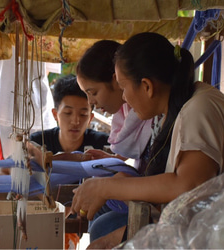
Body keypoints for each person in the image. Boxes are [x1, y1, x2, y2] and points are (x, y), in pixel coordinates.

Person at [71, 32, 224, 249]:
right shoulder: (173, 114)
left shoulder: (199, 107)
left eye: (123, 88)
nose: (124, 97)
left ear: (147, 86)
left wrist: (105, 188)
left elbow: (188, 187)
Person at [76, 40, 155, 242]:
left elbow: (180, 185)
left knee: (101, 228)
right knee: (99, 209)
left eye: (92, 93)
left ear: (117, 81)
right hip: (149, 194)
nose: (91, 103)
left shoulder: (153, 114)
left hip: (157, 204)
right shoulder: (135, 113)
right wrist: (115, 159)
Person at [29, 74, 109, 250]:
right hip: (42, 218)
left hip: (82, 221)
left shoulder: (102, 146)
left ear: (91, 118)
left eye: (83, 114)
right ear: (55, 114)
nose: (75, 121)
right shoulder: (37, 142)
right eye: (67, 113)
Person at [0, 31, 57, 162]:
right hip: (38, 107)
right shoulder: (50, 24)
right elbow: (46, 70)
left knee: (5, 170)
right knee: (40, 170)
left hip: (5, 105)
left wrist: (6, 84)